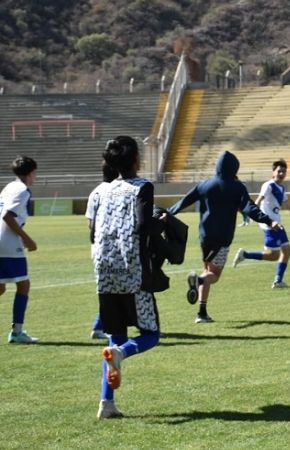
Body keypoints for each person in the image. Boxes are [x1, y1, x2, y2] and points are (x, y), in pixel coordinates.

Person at [91, 136, 161, 419]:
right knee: (151, 335)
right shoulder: (142, 187)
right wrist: (162, 223)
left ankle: (106, 404)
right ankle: (122, 353)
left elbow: (94, 228)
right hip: (132, 271)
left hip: (105, 271)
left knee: (114, 337)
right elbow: (144, 227)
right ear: (135, 161)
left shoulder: (103, 190)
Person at [166, 150, 280, 323]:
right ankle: (197, 280)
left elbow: (184, 201)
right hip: (222, 239)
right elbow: (249, 208)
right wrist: (269, 221)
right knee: (214, 276)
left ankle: (202, 312)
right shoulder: (237, 187)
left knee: (207, 270)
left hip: (205, 236)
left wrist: (168, 213)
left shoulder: (205, 184)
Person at [232, 159, 290, 288]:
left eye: (284, 172)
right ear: (273, 172)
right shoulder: (268, 185)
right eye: (279, 171)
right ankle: (245, 255)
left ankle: (278, 281)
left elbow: (288, 205)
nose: (281, 173)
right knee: (275, 255)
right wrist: (250, 215)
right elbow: (258, 200)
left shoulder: (281, 188)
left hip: (277, 224)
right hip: (269, 224)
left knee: (286, 251)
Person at [1, 156, 39, 344]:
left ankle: (17, 331)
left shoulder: (9, 186)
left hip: (3, 238)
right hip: (7, 242)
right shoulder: (23, 190)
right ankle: (17, 332)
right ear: (31, 173)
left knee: (0, 287)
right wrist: (26, 239)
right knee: (23, 284)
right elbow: (8, 216)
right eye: (35, 173)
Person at [85, 161, 119, 340]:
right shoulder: (116, 191)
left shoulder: (95, 192)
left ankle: (101, 326)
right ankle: (100, 327)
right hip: (113, 247)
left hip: (97, 247)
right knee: (114, 289)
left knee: (108, 287)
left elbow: (90, 224)